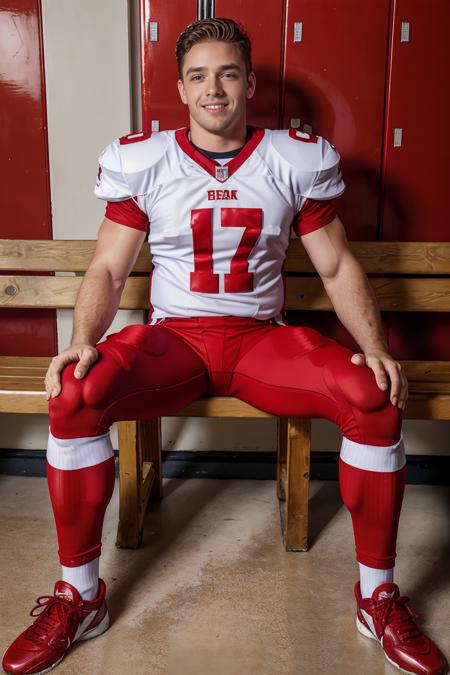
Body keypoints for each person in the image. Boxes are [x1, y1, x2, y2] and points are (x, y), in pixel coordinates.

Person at [2, 16, 447, 675]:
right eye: (200, 77)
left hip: (258, 343)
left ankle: (377, 594)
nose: (215, 89)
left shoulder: (293, 159)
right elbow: (107, 269)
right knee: (74, 392)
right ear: (181, 89)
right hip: (173, 341)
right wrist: (82, 342)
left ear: (250, 84)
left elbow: (334, 266)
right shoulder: (144, 161)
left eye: (228, 74)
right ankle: (81, 594)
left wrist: (376, 346)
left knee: (371, 395)